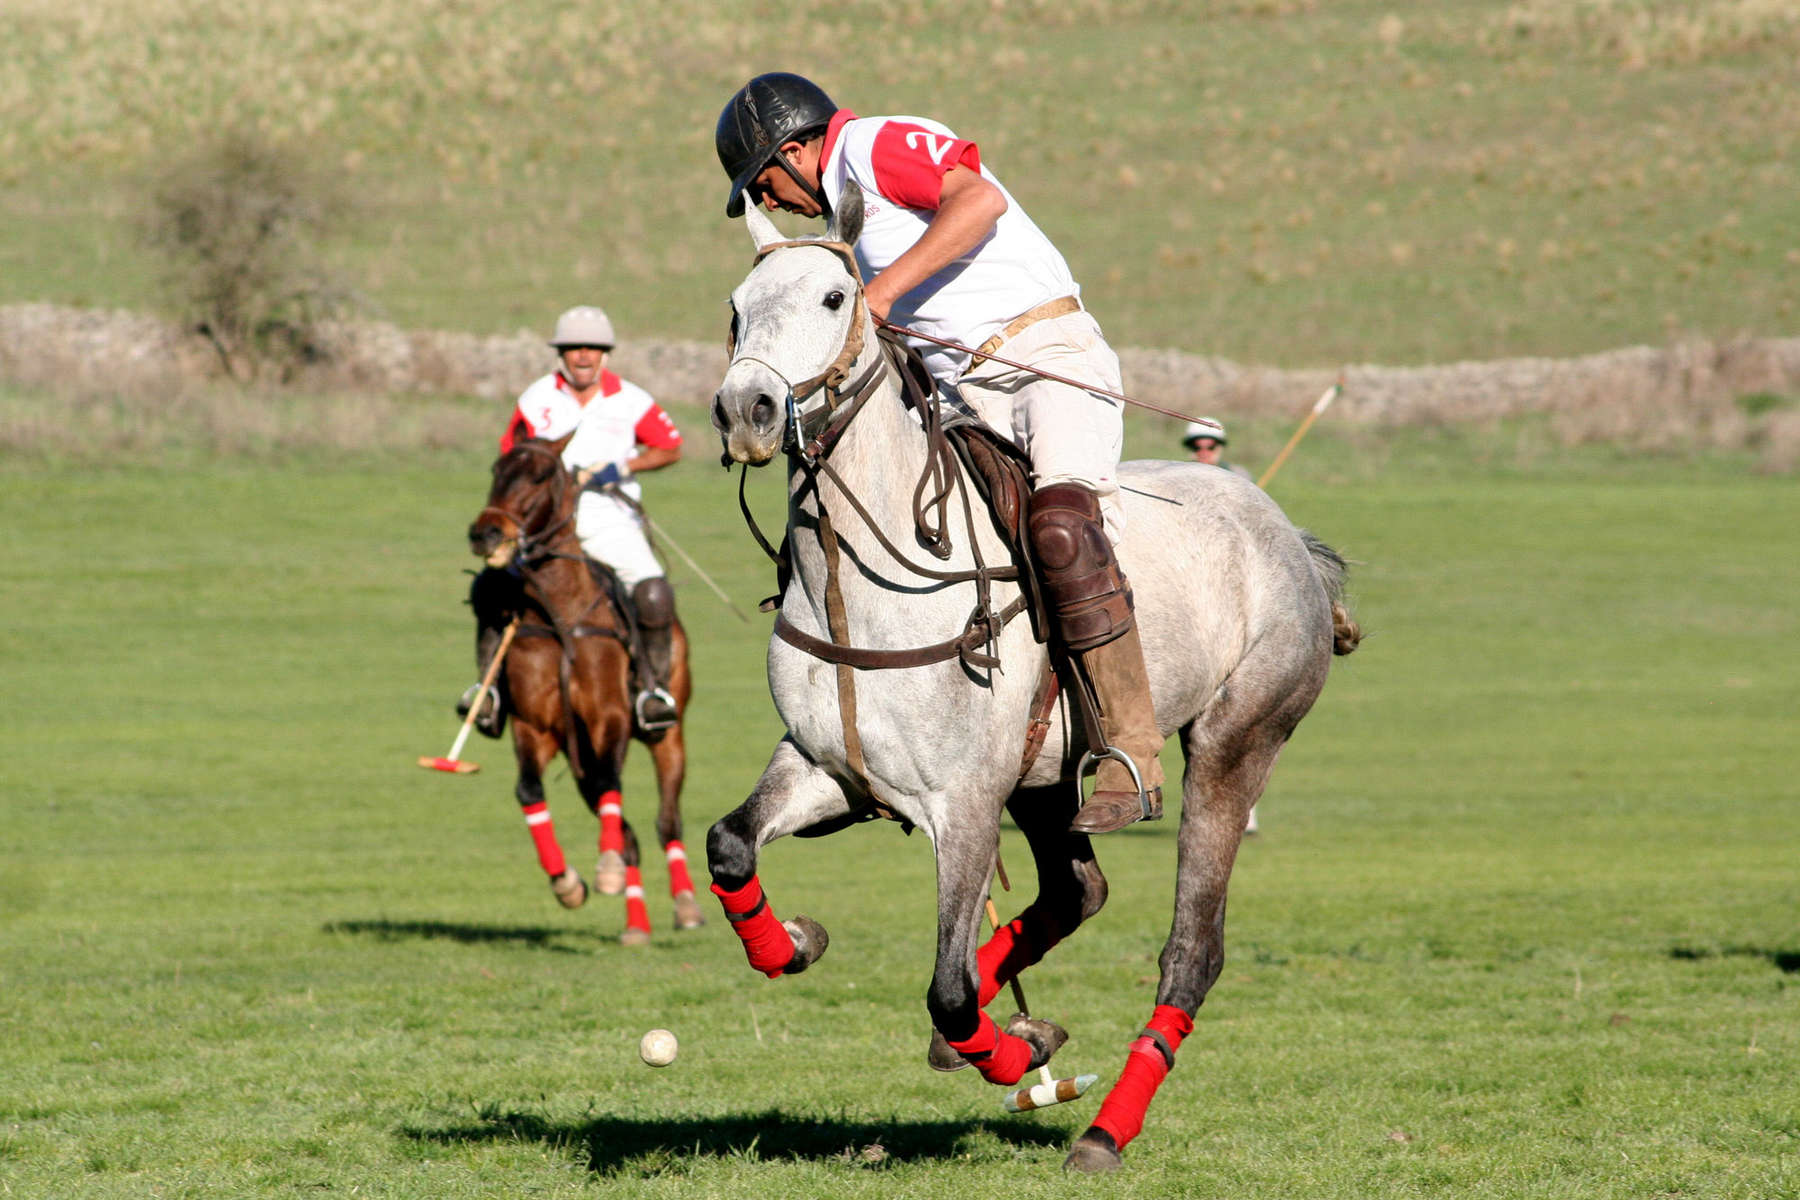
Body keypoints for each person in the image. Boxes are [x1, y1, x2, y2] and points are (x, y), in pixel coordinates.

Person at [715, 73, 1161, 834]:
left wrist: (879, 296)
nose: (772, 204)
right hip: (956, 393)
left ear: (794, 151)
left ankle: (1131, 752)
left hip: (1041, 356)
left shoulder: (874, 143)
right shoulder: (845, 224)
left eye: (763, 184)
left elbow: (977, 202)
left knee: (1059, 524)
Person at [459, 305, 685, 735]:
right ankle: (487, 691)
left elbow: (669, 448)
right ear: (560, 354)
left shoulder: (631, 400)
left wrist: (620, 467)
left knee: (654, 592)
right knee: (488, 585)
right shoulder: (536, 398)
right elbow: (512, 456)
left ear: (606, 354)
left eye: (592, 348)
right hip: (542, 527)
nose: (583, 356)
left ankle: (652, 691)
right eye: (573, 348)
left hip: (609, 518)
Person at [1182, 420, 1253, 480]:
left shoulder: (1239, 475)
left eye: (1210, 447)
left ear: (1219, 447)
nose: (1204, 452)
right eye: (1196, 447)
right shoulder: (1180, 474)